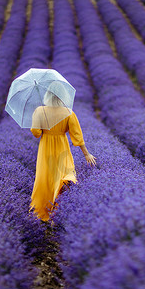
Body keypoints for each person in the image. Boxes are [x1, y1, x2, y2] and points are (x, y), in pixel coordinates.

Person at [29, 86, 96, 222]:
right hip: (62, 148)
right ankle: (59, 212)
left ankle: (42, 213)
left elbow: (36, 133)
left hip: (45, 149)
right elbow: (77, 136)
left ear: (48, 95)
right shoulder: (68, 113)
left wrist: (39, 120)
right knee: (65, 176)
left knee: (45, 179)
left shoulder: (39, 111)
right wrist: (86, 154)